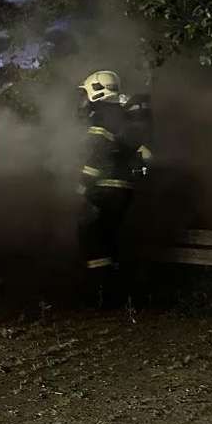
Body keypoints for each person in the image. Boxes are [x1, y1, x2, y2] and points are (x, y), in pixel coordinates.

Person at [76, 70, 153, 306]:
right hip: (123, 189)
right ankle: (119, 292)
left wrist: (80, 186)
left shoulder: (101, 117)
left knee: (90, 235)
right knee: (110, 239)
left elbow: (97, 155)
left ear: (95, 91)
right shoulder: (124, 116)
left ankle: (101, 294)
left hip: (104, 188)